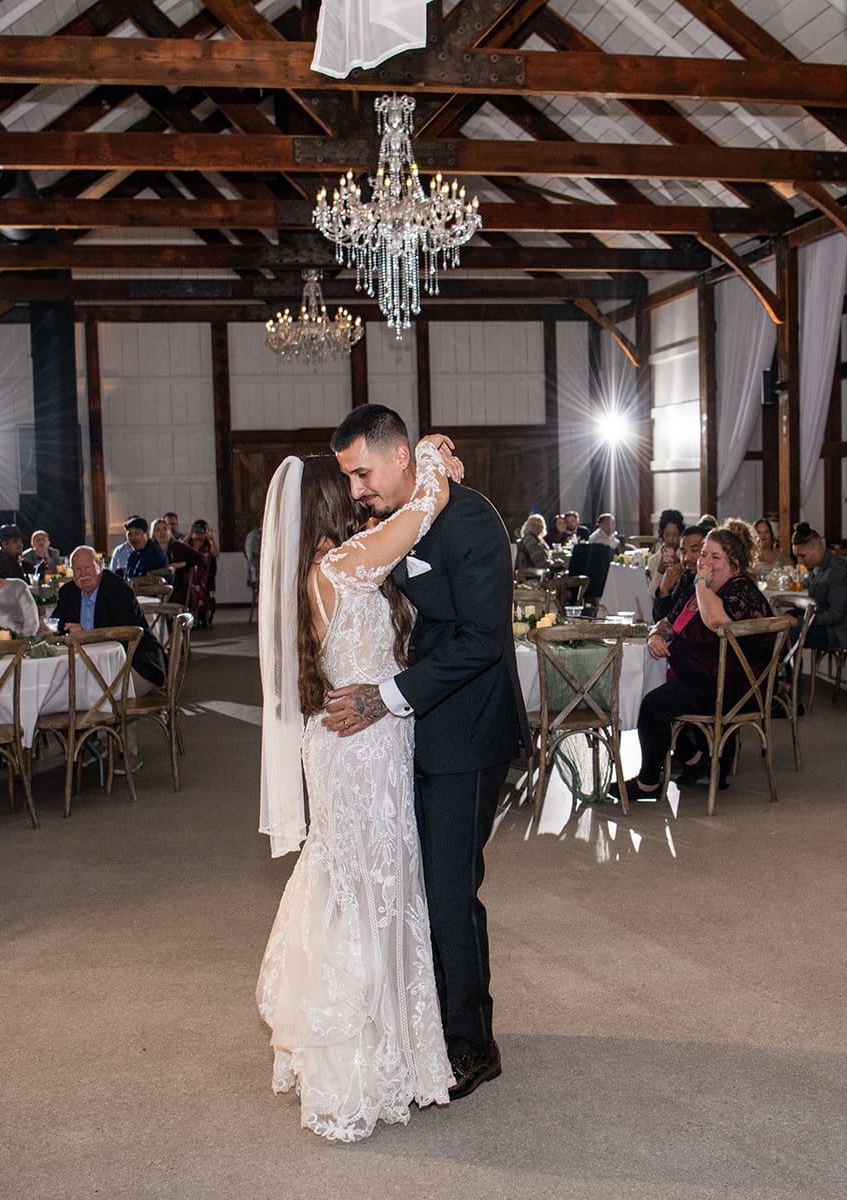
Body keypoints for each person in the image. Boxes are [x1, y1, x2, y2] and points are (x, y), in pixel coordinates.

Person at [256, 429, 465, 1142]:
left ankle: (378, 1055)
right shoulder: (343, 563)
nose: (358, 491)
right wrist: (431, 455)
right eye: (343, 485)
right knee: (370, 892)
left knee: (358, 886)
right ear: (323, 501)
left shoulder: (317, 570)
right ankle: (355, 1065)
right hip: (362, 751)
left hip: (354, 743)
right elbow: (424, 507)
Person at [317, 405, 526, 1110]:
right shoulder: (409, 510)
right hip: (419, 728)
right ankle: (432, 1022)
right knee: (417, 881)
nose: (356, 492)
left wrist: (387, 697)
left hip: (468, 732)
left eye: (362, 473)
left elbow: (481, 640)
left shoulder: (468, 522)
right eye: (348, 478)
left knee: (447, 888)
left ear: (399, 456)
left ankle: (473, 1044)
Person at [622, 520, 774, 797]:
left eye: (715, 557)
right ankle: (694, 759)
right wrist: (656, 635)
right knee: (658, 691)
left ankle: (648, 782)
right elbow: (667, 620)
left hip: (731, 687)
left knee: (655, 705)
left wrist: (702, 582)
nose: (704, 562)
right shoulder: (698, 591)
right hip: (703, 678)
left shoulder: (741, 592)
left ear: (735, 565)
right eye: (704, 555)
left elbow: (717, 622)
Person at [50, 545, 166, 687]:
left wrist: (87, 634)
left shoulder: (118, 589)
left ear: (100, 565)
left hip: (132, 666)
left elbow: (127, 633)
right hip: (87, 666)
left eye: (88, 567)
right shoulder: (68, 592)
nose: (83, 574)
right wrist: (50, 629)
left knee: (89, 688)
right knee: (63, 686)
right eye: (78, 569)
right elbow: (58, 624)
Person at [791, 523, 847, 652]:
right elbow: (809, 585)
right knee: (780, 625)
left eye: (802, 556)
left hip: (839, 632)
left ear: (816, 548)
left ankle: (791, 672)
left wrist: (798, 622)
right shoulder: (818, 566)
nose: (800, 561)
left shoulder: (838, 571)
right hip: (822, 622)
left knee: (789, 634)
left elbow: (835, 616)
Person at [651, 524, 707, 623]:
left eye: (694, 550)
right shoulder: (684, 578)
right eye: (683, 552)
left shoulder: (711, 582)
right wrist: (664, 590)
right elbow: (660, 619)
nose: (687, 558)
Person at [153, 517, 201, 606]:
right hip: (156, 588)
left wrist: (181, 564)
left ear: (169, 532)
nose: (162, 533)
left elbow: (200, 558)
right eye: (158, 530)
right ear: (153, 534)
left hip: (177, 587)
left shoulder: (177, 547)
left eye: (165, 529)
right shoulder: (151, 550)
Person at [647, 509, 685, 589]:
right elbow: (652, 593)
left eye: (675, 535)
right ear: (662, 535)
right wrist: (660, 572)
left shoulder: (685, 557)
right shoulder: (653, 560)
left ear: (680, 536)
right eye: (667, 535)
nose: (671, 539)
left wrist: (680, 566)